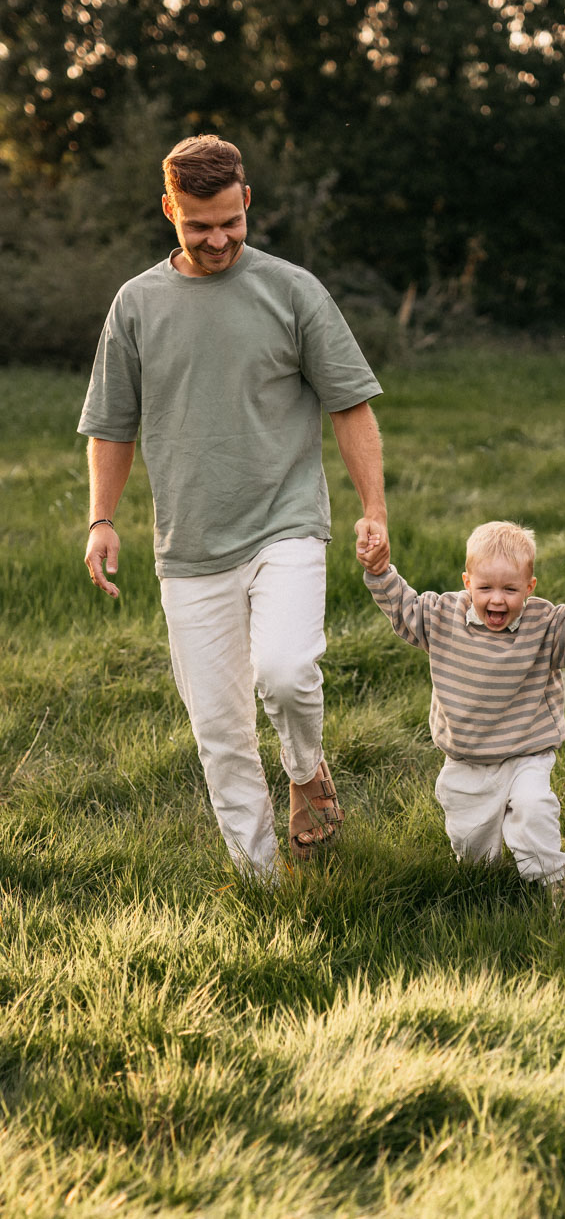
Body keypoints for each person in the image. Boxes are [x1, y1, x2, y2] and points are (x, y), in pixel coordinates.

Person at [79, 134, 389, 881]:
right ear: (169, 212)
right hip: (187, 544)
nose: (217, 239)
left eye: (229, 221)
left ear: (246, 201)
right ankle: (263, 883)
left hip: (285, 520)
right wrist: (101, 518)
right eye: (198, 225)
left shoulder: (292, 291)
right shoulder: (138, 304)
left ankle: (306, 771)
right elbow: (111, 423)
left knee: (285, 672)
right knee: (218, 729)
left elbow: (350, 405)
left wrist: (373, 507)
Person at [357, 520, 565, 896]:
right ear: (467, 582)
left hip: (527, 751)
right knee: (474, 850)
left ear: (530, 587)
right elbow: (403, 607)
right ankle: (482, 885)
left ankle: (553, 884)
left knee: (534, 809)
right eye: (485, 588)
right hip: (467, 758)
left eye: (510, 589)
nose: (497, 600)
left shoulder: (543, 624)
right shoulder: (443, 617)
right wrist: (379, 570)